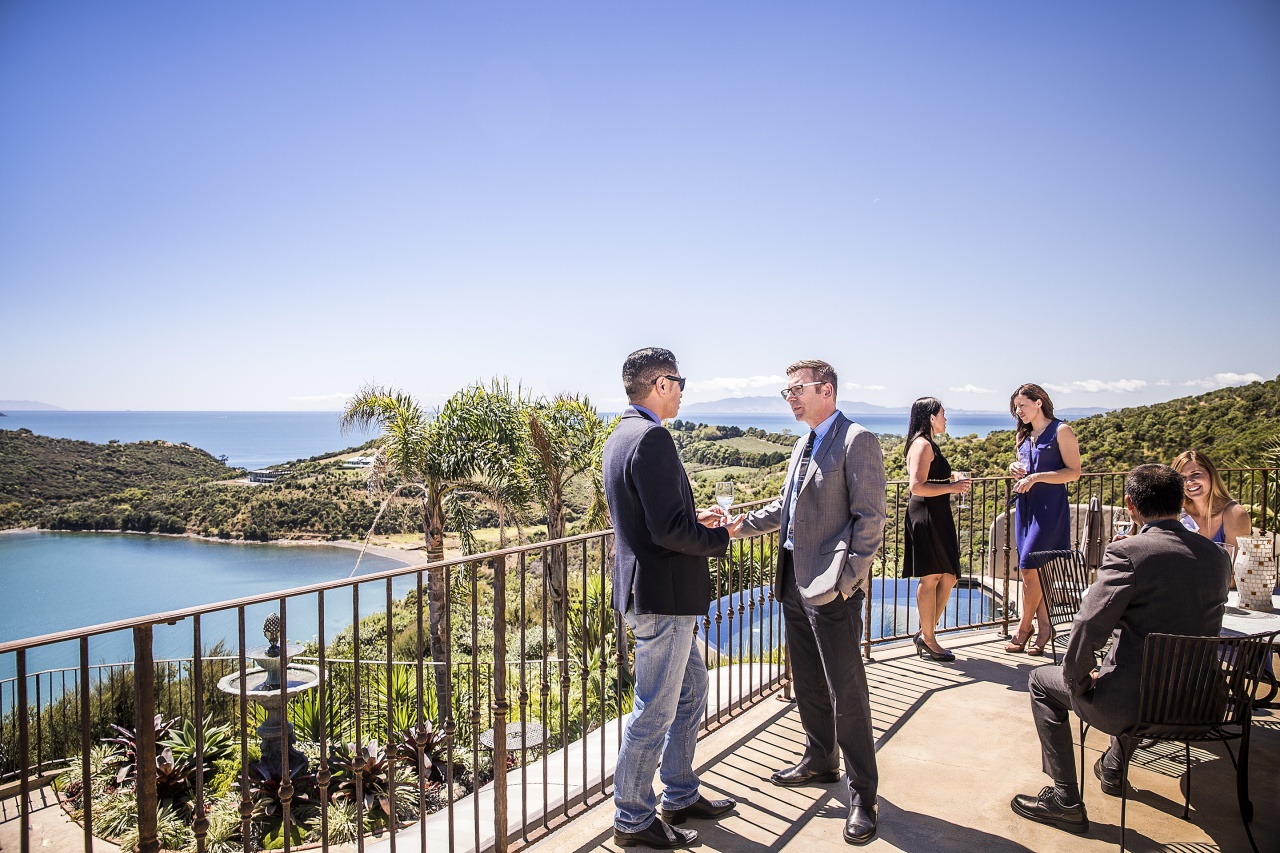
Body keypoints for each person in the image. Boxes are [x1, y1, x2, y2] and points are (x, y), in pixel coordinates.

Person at [1010, 463, 1231, 834]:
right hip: (1201, 703)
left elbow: (1088, 626)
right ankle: (1113, 765)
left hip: (1135, 705)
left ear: (1130, 506)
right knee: (1141, 674)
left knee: (1041, 681)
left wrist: (1078, 681)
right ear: (1179, 503)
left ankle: (1065, 800)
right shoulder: (1216, 557)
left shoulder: (1130, 553)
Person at [730, 359, 887, 845]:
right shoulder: (805, 441)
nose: (790, 398)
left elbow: (871, 519)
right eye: (787, 391)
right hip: (794, 582)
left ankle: (864, 794)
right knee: (810, 681)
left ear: (828, 390)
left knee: (847, 689)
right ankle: (820, 759)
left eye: (797, 389)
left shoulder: (857, 439)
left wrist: (847, 582)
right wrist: (741, 525)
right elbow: (789, 508)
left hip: (830, 587)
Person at [602, 347, 737, 850]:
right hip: (665, 598)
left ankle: (679, 793)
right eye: (679, 381)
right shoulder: (653, 437)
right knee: (654, 711)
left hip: (650, 593)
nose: (682, 389)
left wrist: (691, 520)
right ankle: (633, 819)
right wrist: (721, 538)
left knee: (692, 693)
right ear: (660, 384)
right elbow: (665, 533)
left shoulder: (619, 435)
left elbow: (649, 520)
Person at [1005, 383, 1081, 656]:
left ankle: (1025, 627)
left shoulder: (1061, 430)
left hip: (1049, 507)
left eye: (1023, 405)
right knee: (1032, 570)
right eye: (1016, 407)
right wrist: (1016, 468)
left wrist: (1037, 477)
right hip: (1026, 507)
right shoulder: (1023, 435)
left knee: (1028, 567)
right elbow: (1024, 468)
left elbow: (1073, 472)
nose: (1019, 411)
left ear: (1039, 402)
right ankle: (1045, 626)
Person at [903, 397, 971, 663]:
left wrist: (950, 477)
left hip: (938, 514)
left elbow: (930, 476)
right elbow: (917, 486)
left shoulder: (929, 445)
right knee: (930, 577)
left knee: (950, 575)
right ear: (931, 417)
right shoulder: (921, 444)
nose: (946, 419)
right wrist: (952, 488)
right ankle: (929, 639)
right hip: (926, 514)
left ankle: (926, 632)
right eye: (943, 414)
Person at [1170, 450, 1252, 550]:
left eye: (1196, 474)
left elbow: (1235, 563)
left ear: (1211, 474)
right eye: (1182, 477)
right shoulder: (1174, 513)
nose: (1189, 482)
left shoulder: (1234, 515)